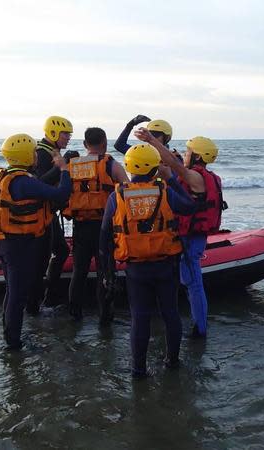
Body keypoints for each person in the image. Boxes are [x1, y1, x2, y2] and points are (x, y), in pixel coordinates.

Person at [99, 143, 196, 378]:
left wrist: (108, 271)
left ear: (130, 167)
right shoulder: (165, 191)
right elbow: (190, 206)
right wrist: (171, 179)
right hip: (165, 265)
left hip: (136, 268)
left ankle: (138, 369)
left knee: (140, 317)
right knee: (170, 313)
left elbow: (105, 237)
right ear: (155, 167)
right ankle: (172, 361)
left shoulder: (117, 195)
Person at [0, 133, 71, 350]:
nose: (36, 157)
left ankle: (9, 333)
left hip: (4, 243)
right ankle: (13, 343)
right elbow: (61, 194)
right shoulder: (22, 182)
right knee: (17, 295)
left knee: (13, 291)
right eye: (32, 153)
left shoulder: (4, 176)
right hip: (19, 246)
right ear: (26, 156)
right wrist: (64, 169)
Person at [136, 129, 226, 339]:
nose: (184, 155)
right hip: (192, 236)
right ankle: (196, 324)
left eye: (188, 152)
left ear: (197, 156)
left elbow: (173, 165)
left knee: (194, 283)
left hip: (191, 239)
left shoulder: (194, 176)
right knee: (189, 282)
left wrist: (151, 140)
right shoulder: (211, 177)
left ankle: (200, 329)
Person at [62, 127, 129, 323]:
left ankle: (74, 315)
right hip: (104, 227)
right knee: (105, 271)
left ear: (84, 144)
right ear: (105, 143)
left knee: (79, 271)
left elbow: (63, 192)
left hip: (80, 225)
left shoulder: (73, 166)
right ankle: (105, 318)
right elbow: (127, 189)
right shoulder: (111, 165)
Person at [31, 115, 74, 312]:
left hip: (48, 212)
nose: (68, 138)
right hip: (41, 215)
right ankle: (40, 301)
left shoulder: (50, 151)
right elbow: (39, 183)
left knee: (60, 251)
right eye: (65, 134)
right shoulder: (42, 153)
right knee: (45, 257)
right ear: (54, 132)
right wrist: (61, 166)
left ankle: (47, 298)